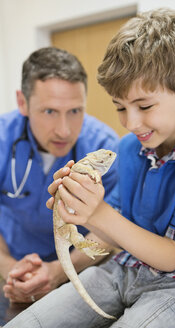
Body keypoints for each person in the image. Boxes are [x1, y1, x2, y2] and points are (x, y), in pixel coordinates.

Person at [4, 7, 175, 328]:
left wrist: (99, 212)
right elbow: (115, 236)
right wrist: (77, 210)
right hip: (126, 268)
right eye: (120, 107)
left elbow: (173, 257)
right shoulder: (129, 148)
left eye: (144, 106)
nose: (130, 123)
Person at [0, 47, 119, 304]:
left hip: (80, 265)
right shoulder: (2, 138)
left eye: (75, 111)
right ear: (22, 102)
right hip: (10, 263)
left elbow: (113, 229)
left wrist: (60, 271)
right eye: (50, 112)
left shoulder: (105, 149)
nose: (64, 131)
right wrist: (10, 269)